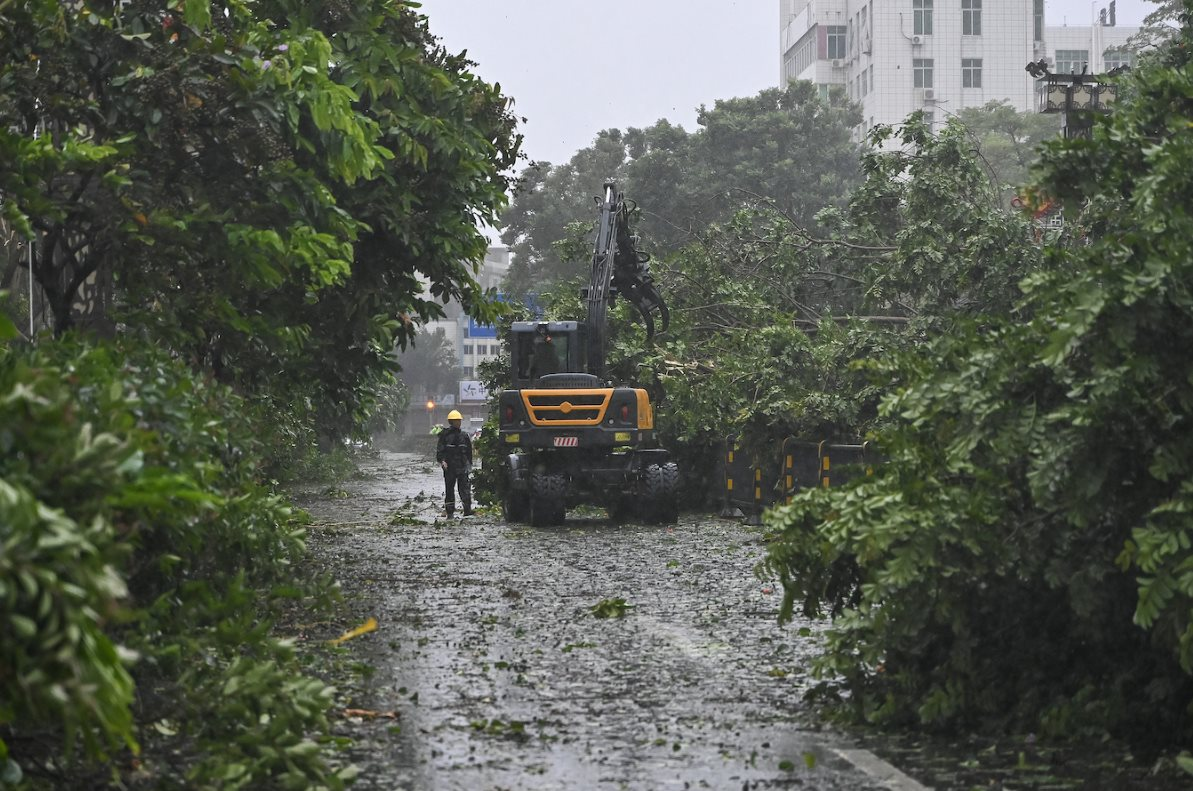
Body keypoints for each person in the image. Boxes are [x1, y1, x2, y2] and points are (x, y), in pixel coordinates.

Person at [436, 409, 473, 517]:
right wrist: (442, 461)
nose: (458, 422)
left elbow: (469, 453)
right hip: (449, 468)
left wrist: (469, 465)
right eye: (456, 420)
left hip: (462, 467)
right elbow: (440, 451)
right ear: (451, 422)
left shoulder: (464, 436)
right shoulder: (444, 436)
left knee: (465, 489)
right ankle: (450, 512)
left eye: (459, 420)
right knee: (449, 490)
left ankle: (467, 510)